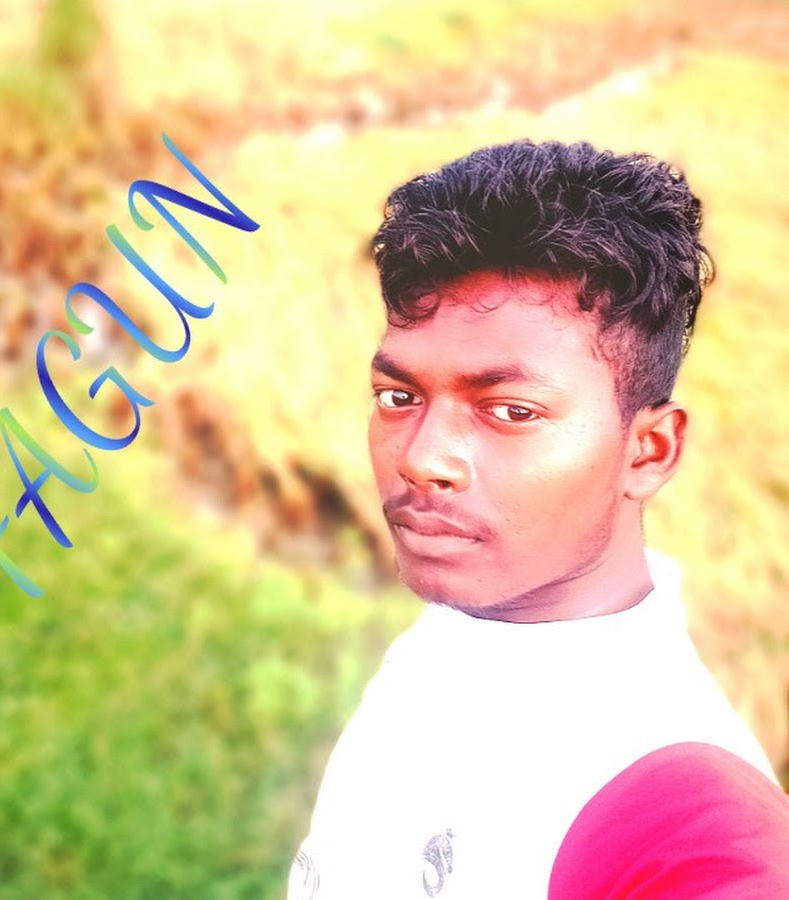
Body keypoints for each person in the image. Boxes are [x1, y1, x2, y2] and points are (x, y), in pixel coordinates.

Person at [287, 140, 789, 899]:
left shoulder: (691, 823)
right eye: (399, 397)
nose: (423, 458)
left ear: (649, 450)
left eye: (511, 411)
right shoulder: (451, 637)